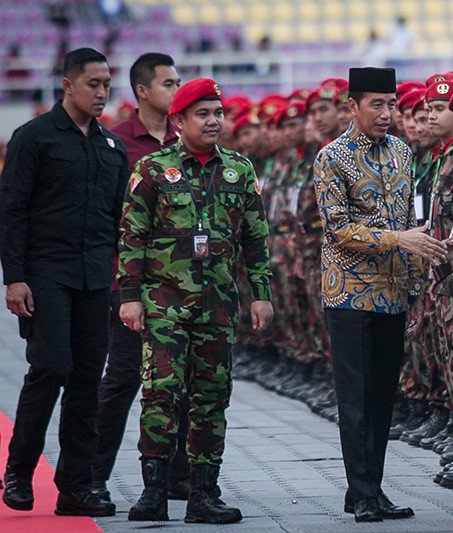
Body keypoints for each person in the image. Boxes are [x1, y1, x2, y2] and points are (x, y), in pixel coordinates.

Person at [118, 78, 274, 524]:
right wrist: (130, 298)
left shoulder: (239, 170)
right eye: (202, 114)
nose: (213, 121)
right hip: (165, 303)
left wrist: (261, 295)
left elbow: (255, 240)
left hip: (219, 304)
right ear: (179, 120)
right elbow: (132, 237)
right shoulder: (152, 168)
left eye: (218, 113)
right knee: (162, 392)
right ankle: (154, 491)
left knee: (211, 397)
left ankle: (204, 493)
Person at [312, 66, 447, 522]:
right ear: (352, 106)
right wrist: (400, 241)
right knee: (355, 398)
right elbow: (340, 229)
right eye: (377, 104)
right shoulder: (332, 157)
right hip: (349, 293)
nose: (387, 113)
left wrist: (411, 289)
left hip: (392, 292)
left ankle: (369, 487)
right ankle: (363, 492)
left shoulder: (402, 154)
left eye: (391, 104)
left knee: (382, 396)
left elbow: (408, 221)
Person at [0, 47, 128, 517]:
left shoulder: (110, 147)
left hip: (96, 277)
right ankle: (18, 469)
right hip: (46, 273)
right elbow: (11, 212)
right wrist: (15, 279)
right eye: (92, 84)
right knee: (51, 366)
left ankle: (76, 486)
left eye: (106, 84)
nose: (100, 93)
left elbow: (121, 220)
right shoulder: (34, 138)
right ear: (68, 85)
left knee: (86, 380)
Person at [90, 52, 187, 504]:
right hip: (129, 281)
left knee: (182, 377)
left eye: (178, 81)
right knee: (124, 378)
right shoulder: (114, 144)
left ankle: (180, 476)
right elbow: (110, 218)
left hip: (181, 283)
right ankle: (93, 475)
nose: (176, 89)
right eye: (168, 83)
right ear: (142, 91)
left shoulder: (185, 144)